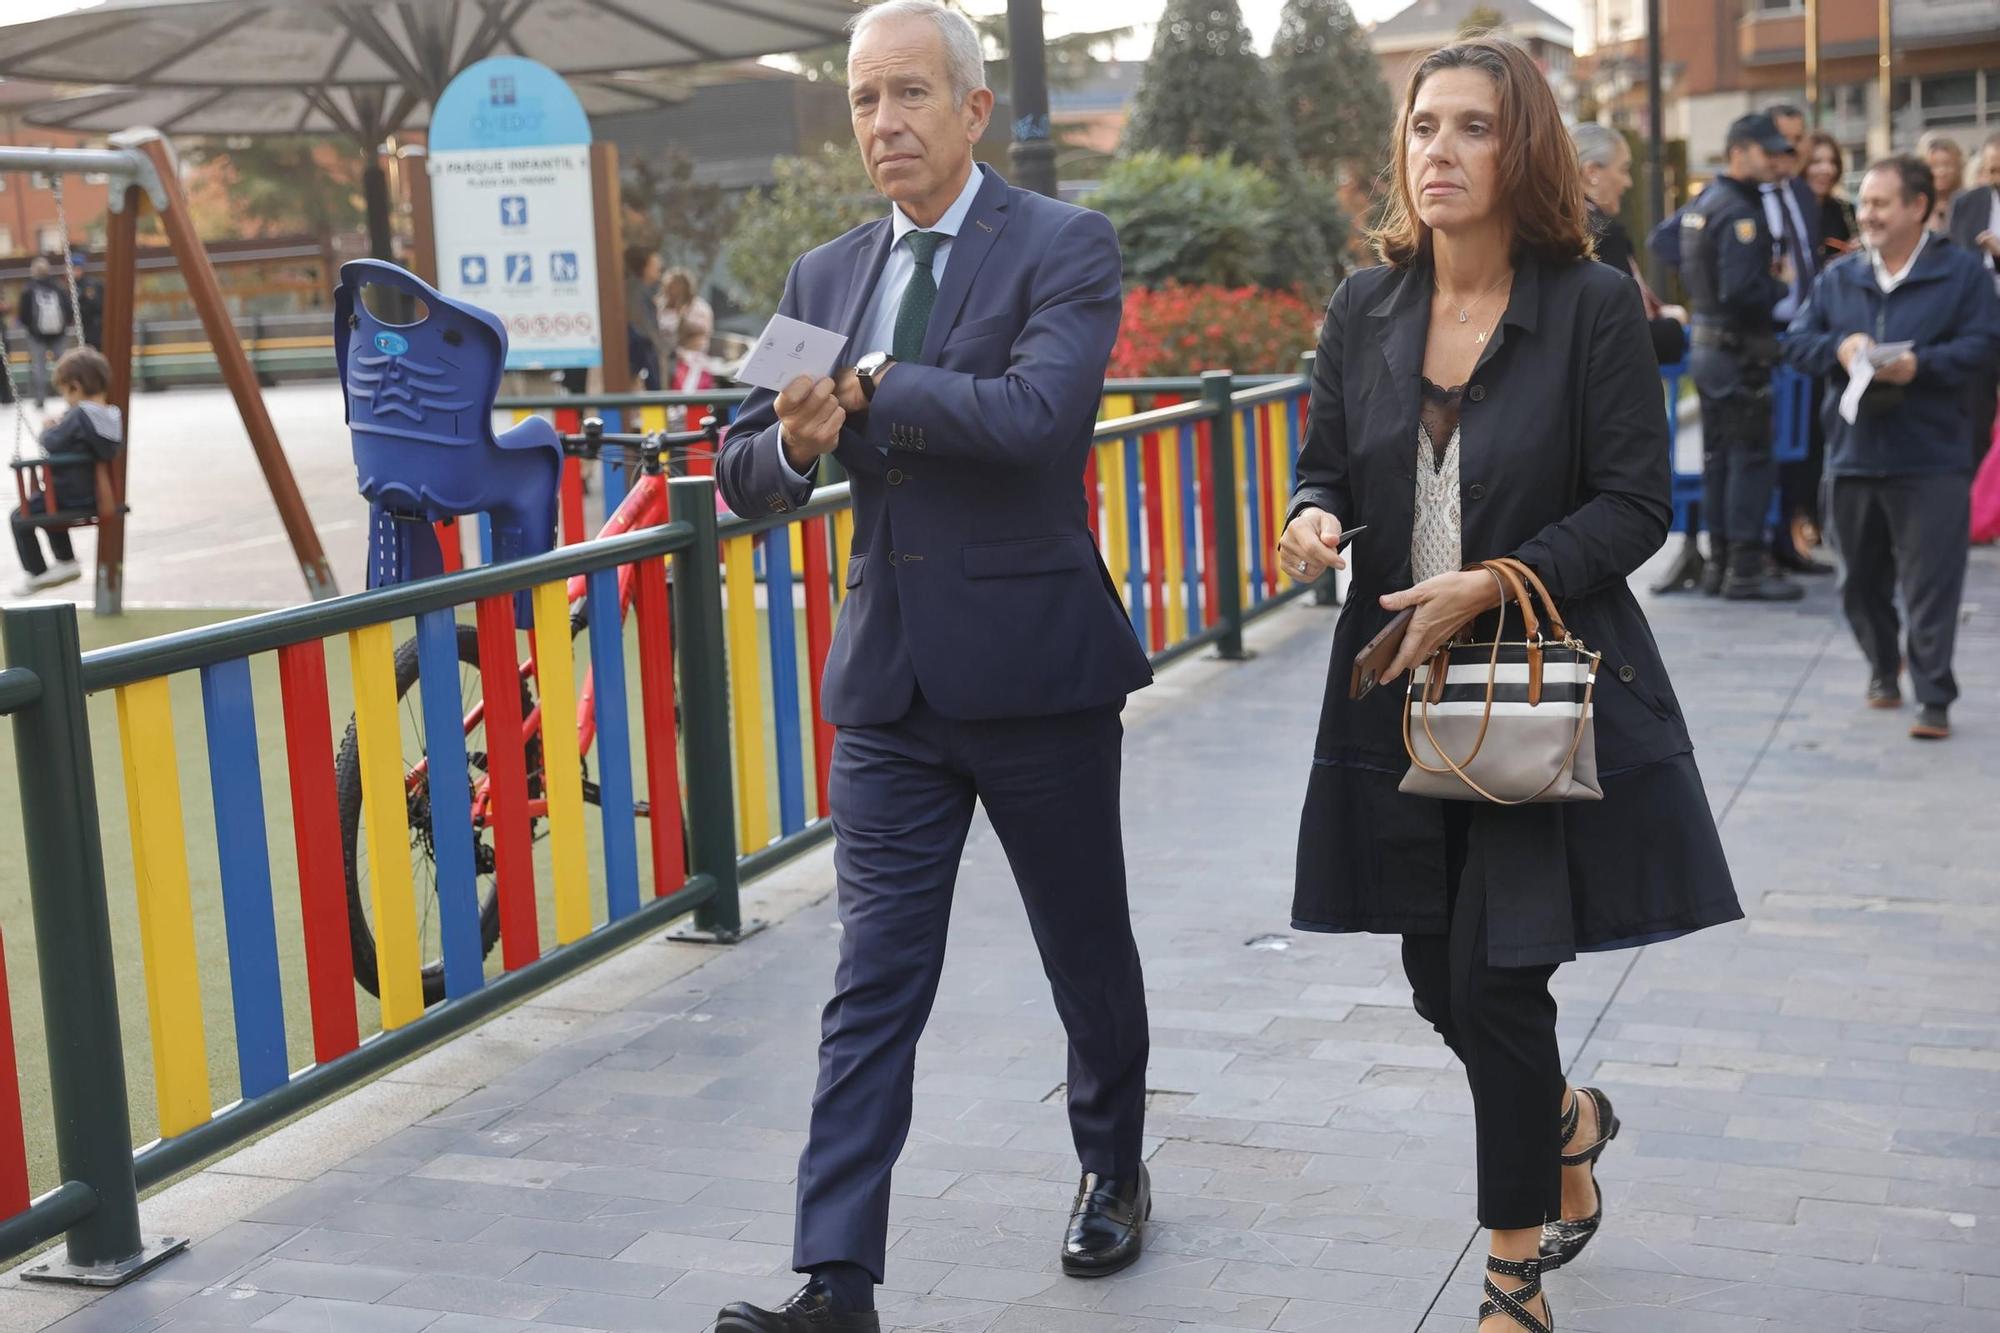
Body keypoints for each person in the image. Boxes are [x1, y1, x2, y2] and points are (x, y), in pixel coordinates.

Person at [1279, 37, 1741, 1333]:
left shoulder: (1590, 303)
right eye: (1423, 125)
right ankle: (1565, 1118)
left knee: (1497, 978)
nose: (1438, 149)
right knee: (1436, 973)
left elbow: (1636, 507)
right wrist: (1314, 517)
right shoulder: (1362, 308)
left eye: (1471, 127)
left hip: (1536, 687)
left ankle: (1511, 1274)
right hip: (1391, 691)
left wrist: (1495, 580)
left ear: (1520, 146)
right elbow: (1323, 464)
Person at [711, 2, 1153, 1328]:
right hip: (892, 693)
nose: (884, 123)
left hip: (1041, 675)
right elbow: (744, 467)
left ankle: (1112, 1169)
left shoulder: (1064, 245)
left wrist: (875, 384)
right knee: (872, 985)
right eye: (863, 100)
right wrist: (792, 444)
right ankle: (836, 1279)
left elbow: (1037, 419)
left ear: (973, 109)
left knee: (1084, 951)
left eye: (910, 95)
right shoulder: (821, 277)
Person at [1786, 156, 2000, 741]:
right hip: (1852, 455)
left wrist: (1920, 367)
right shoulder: (1840, 277)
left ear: (1919, 207)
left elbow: (1986, 346)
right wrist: (1841, 348)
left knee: (1932, 581)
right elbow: (1797, 343)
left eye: (1881, 203)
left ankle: (1934, 694)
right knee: (1857, 580)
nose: (1868, 214)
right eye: (1866, 203)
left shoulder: (1961, 275)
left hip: (1932, 455)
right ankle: (1884, 665)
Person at [1682, 113, 1805, 601]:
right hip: (1738, 352)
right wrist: (1783, 282)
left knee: (1720, 459)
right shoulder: (1740, 211)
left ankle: (1721, 566)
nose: (1777, 161)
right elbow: (1743, 291)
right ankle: (1745, 571)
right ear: (1739, 151)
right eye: (1767, 151)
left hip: (1711, 349)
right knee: (1748, 460)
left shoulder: (1705, 202)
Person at [1571, 123, 1687, 364]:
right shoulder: (1600, 234)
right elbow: (1625, 333)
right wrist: (1674, 326)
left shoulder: (1552, 226)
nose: (1628, 183)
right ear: (1591, 171)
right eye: (1623, 170)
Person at [10, 347, 122, 596]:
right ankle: (66, 562)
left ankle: (37, 573)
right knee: (47, 515)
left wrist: (48, 427)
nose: (66, 400)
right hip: (98, 494)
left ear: (75, 386)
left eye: (64, 392)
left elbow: (51, 442)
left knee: (19, 518)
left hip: (67, 493)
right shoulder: (112, 415)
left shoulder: (79, 415)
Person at [1946, 131, 2000, 469]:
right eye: (1993, 170)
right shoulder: (1968, 203)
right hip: (1980, 323)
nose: (1998, 178)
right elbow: (1955, 260)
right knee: (1976, 411)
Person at [19, 256, 71, 410]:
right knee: (63, 366)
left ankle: (40, 399)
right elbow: (68, 309)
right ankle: (68, 395)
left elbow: (23, 315)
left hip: (36, 336)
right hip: (59, 334)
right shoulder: (58, 287)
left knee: (39, 367)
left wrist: (31, 329)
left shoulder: (28, 289)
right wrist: (63, 327)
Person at [1805, 131, 1858, 264]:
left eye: (1832, 162)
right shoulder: (1788, 212)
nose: (1827, 170)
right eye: (1816, 162)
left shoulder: (1846, 210)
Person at [620, 245, 667, 390]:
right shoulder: (635, 291)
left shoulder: (642, 290)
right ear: (645, 267)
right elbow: (643, 326)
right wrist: (659, 347)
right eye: (655, 265)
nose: (659, 268)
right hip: (641, 351)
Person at [1918, 130, 1964, 232]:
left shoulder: (1970, 202)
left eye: (1947, 165)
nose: (1941, 172)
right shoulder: (1917, 206)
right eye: (1934, 166)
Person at [68, 251, 104, 351]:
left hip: (94, 328)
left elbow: (97, 306)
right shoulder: (75, 285)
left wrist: (83, 298)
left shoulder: (89, 285)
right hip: (85, 327)